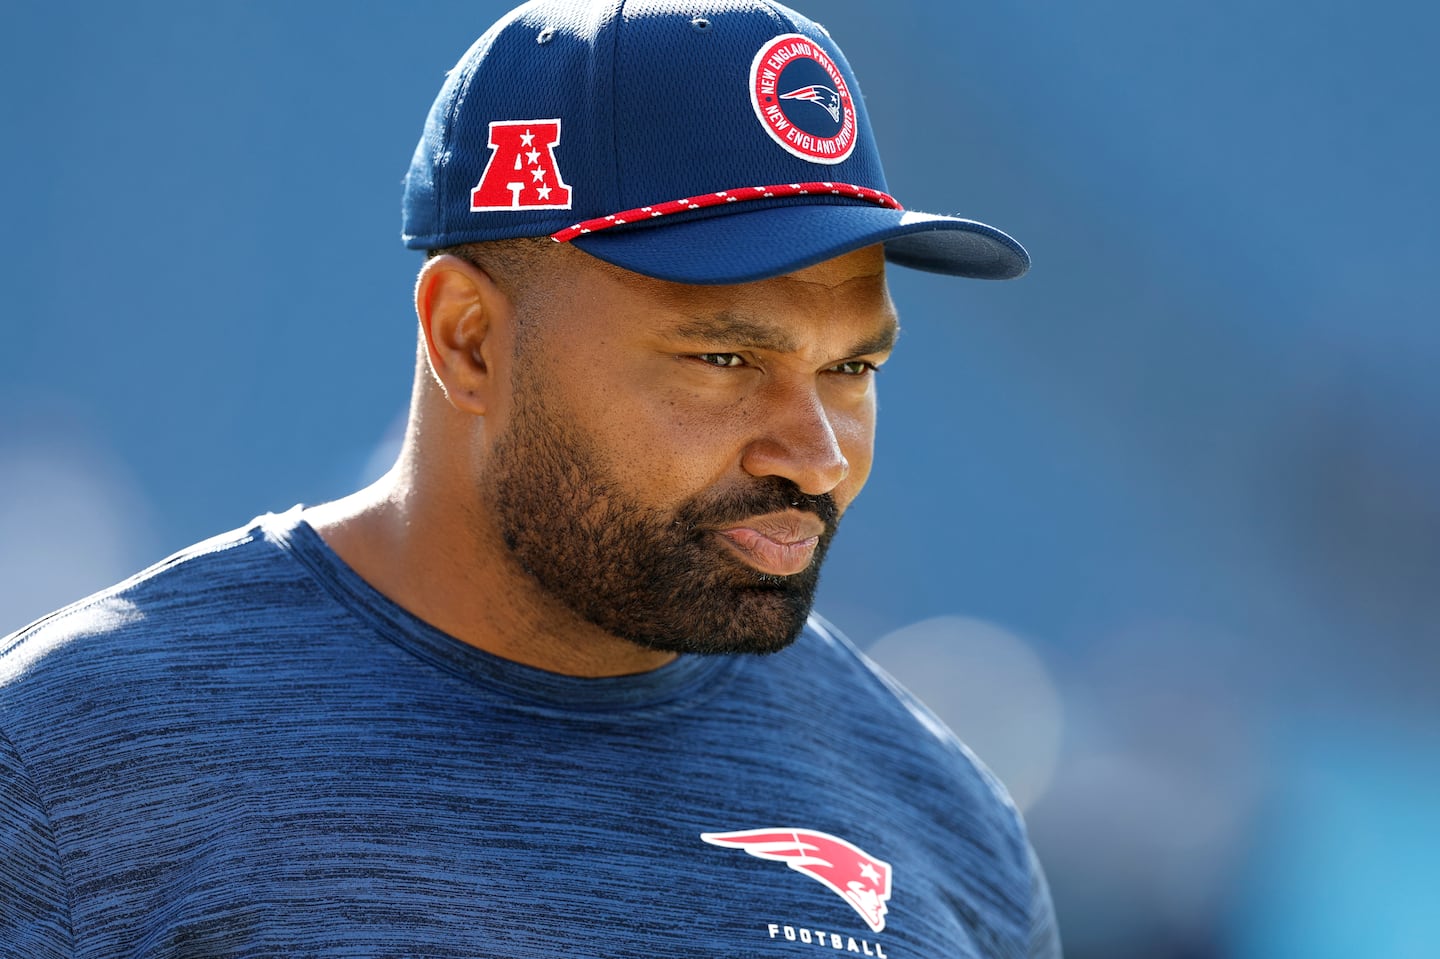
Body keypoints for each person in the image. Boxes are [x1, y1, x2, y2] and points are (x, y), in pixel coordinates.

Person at [0, 0, 1059, 956]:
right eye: (726, 360)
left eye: (852, 367)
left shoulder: (943, 824)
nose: (818, 450)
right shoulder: (67, 767)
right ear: (468, 341)